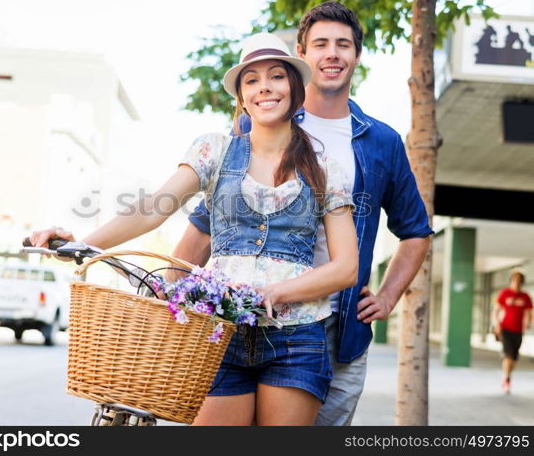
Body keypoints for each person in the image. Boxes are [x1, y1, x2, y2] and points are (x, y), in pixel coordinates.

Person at [29, 32, 359, 426]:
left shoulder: (326, 170)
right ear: (241, 95)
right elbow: (154, 208)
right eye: (251, 80)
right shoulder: (213, 150)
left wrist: (276, 291)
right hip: (217, 333)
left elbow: (346, 268)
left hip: (296, 338)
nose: (264, 88)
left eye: (276, 76)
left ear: (294, 87)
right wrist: (82, 242)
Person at [172, 1, 433, 426]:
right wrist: (174, 290)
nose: (333, 54)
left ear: (357, 55)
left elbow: (416, 231)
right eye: (321, 44)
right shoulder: (256, 123)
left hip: (337, 324)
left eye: (343, 45)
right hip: (246, 316)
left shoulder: (381, 141)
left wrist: (387, 297)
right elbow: (208, 223)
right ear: (302, 55)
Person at [493, 269, 532, 394]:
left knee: (514, 358)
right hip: (505, 329)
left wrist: (527, 323)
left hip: (518, 330)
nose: (517, 282)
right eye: (514, 279)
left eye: (519, 280)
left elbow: (528, 313)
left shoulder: (525, 297)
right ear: (511, 280)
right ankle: (506, 378)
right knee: (508, 355)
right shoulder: (504, 293)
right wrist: (496, 325)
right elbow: (496, 311)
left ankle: (508, 375)